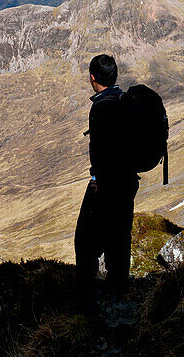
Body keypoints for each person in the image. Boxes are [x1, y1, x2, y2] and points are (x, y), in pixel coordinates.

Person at [74, 53, 139, 305]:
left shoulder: (101, 106)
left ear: (92, 77)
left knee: (85, 238)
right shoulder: (124, 100)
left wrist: (96, 179)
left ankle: (85, 298)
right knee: (120, 233)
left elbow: (100, 150)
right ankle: (119, 290)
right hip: (128, 182)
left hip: (107, 183)